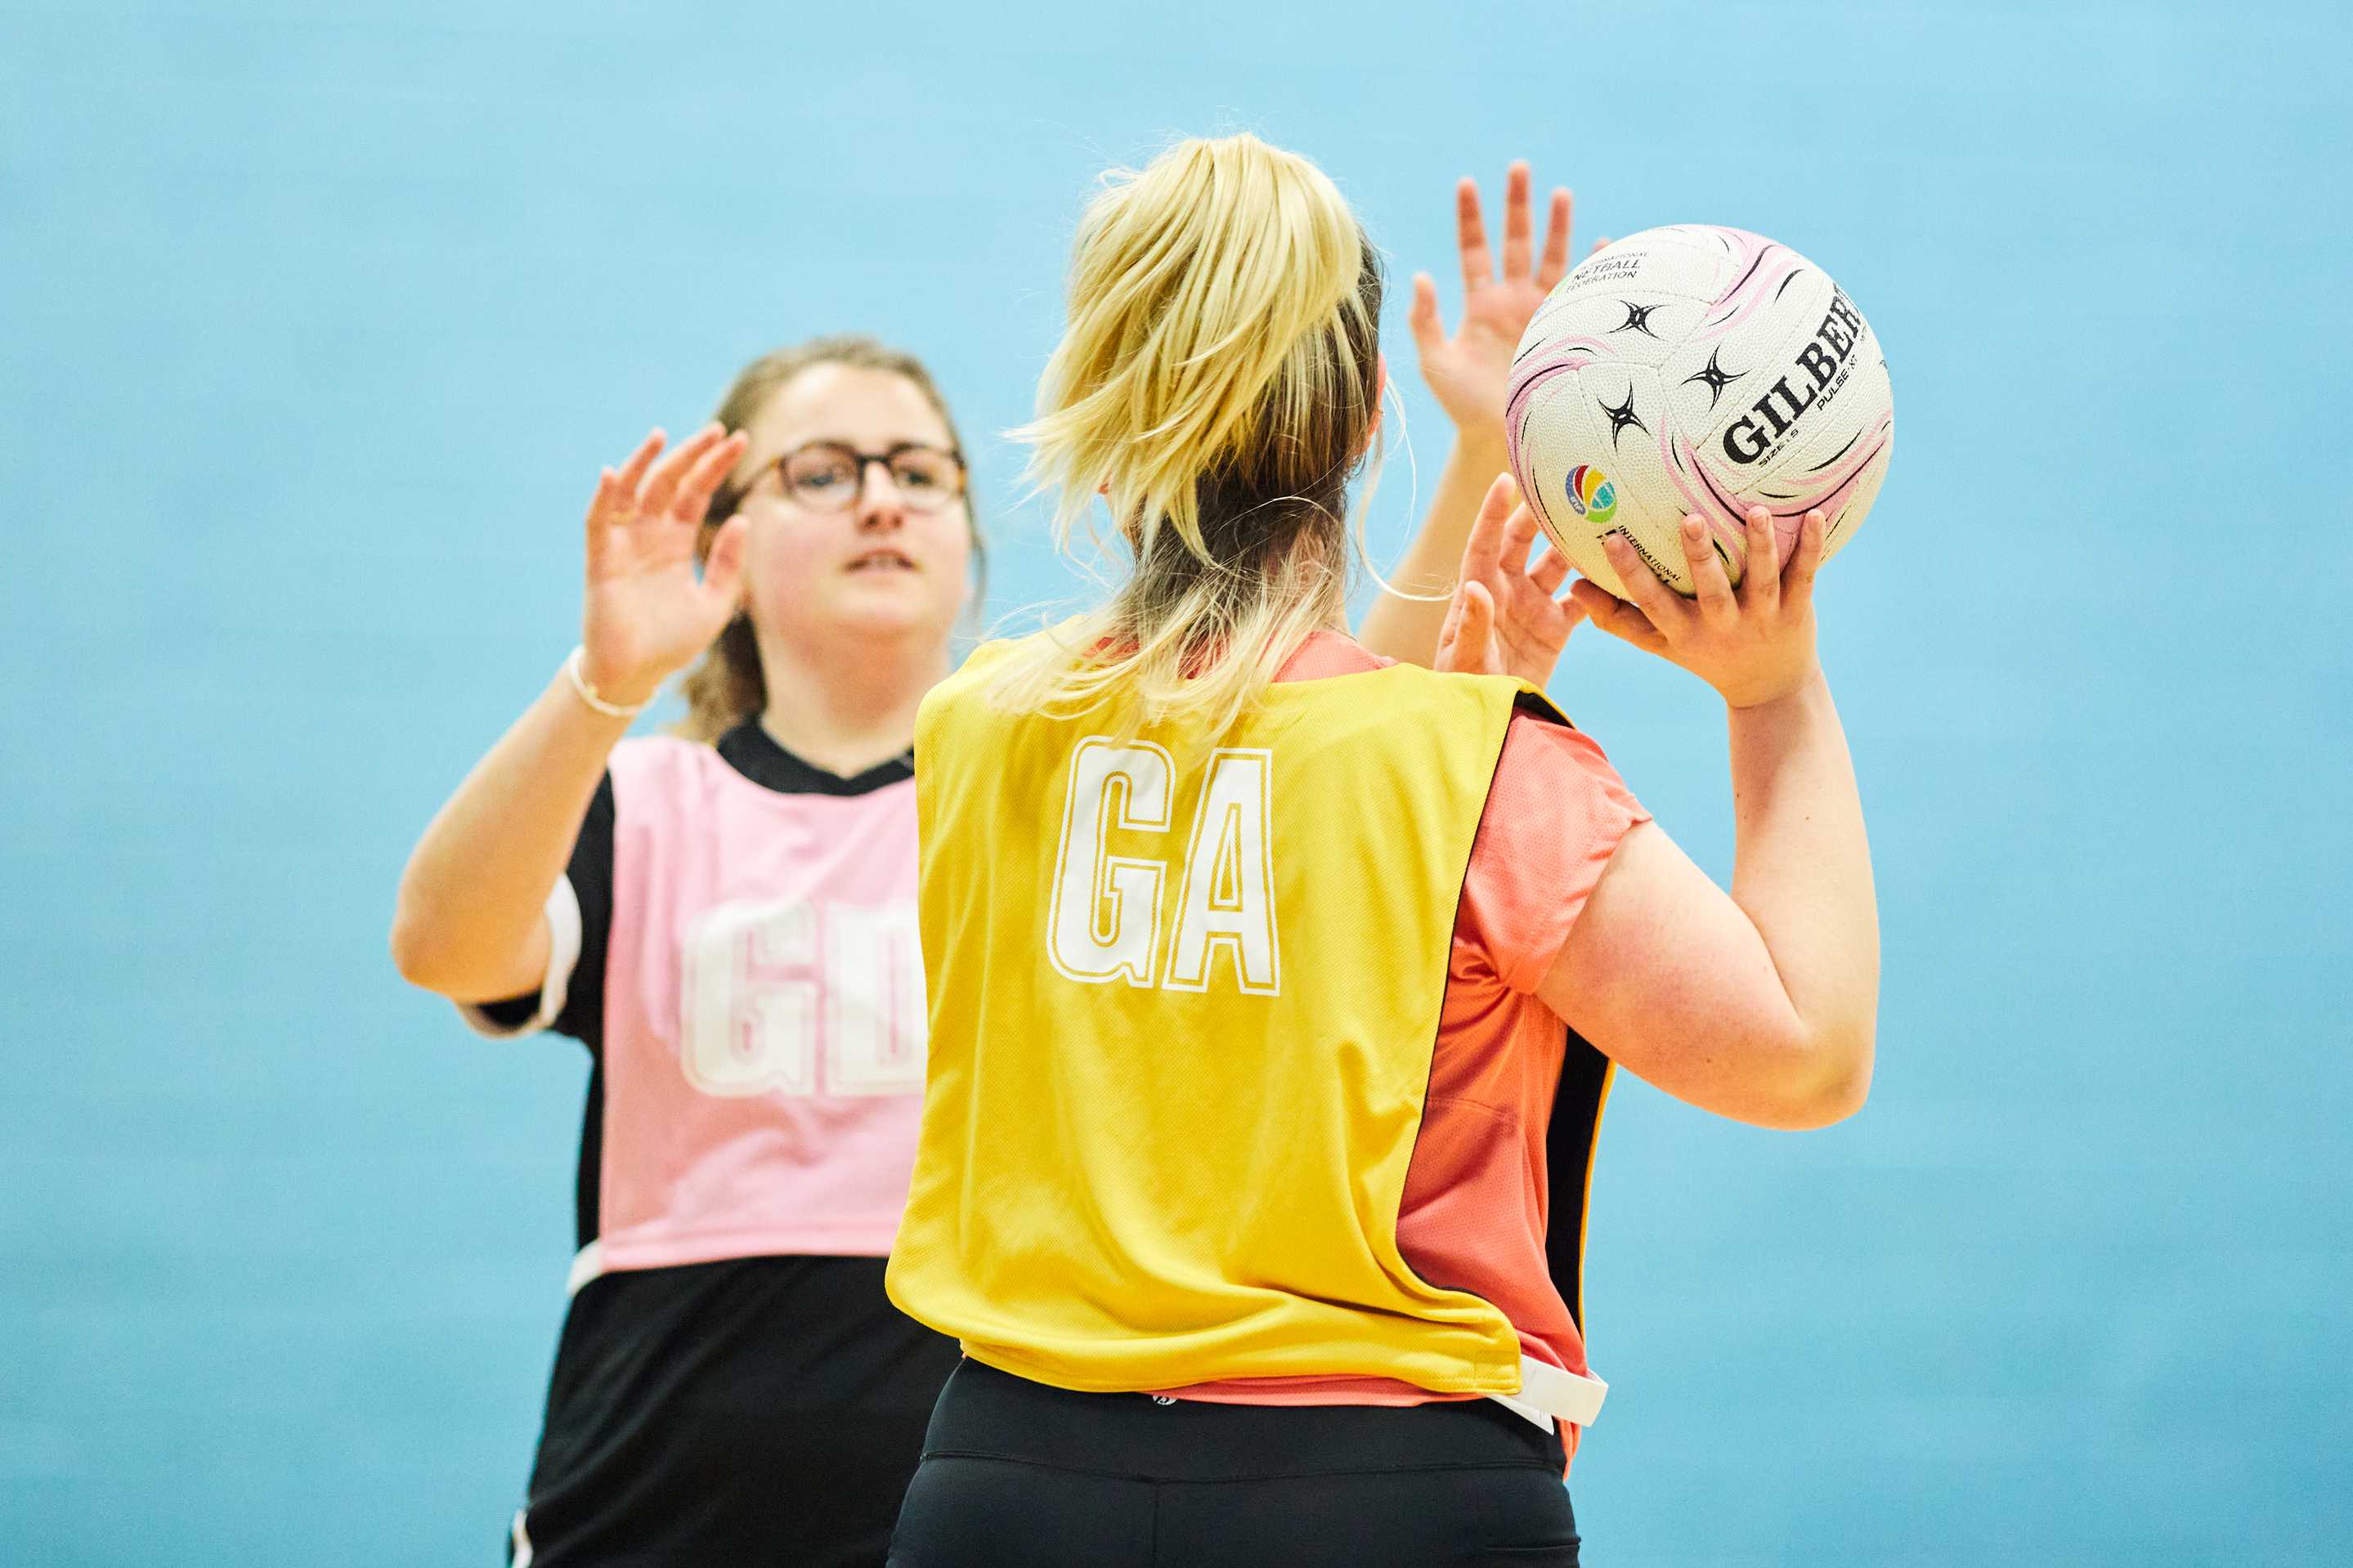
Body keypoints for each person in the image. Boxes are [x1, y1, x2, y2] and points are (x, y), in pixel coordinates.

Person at [388, 157, 1586, 1565]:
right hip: (662, 1497)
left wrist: (1462, 456)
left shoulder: (1063, 772)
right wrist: (601, 683)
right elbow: (448, 945)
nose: (880, 501)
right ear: (727, 538)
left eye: (918, 470)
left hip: (993, 1467)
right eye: (821, 472)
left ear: (972, 534)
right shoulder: (650, 803)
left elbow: (1347, 737)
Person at [883, 133, 1879, 1568]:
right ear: (1361, 414)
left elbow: (1258, 743)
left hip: (1011, 1485)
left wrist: (1456, 690)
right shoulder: (1472, 766)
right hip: (1380, 1496)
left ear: (1105, 384)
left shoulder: (975, 728)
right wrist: (1773, 691)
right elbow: (1804, 1051)